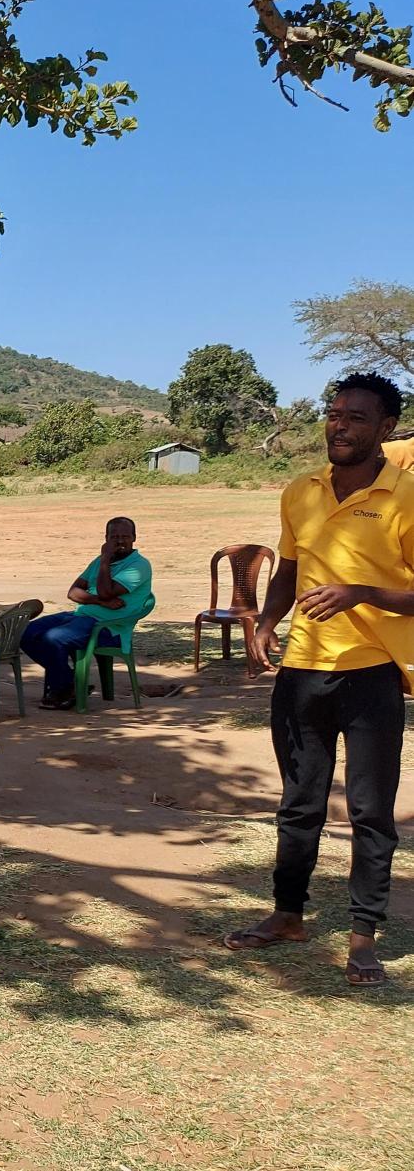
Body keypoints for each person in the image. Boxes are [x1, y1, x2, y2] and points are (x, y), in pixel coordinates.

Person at [225, 371, 414, 989]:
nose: (340, 425)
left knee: (369, 811)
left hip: (373, 673)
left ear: (386, 429)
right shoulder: (300, 491)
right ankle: (287, 916)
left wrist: (361, 592)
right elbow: (293, 567)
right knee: (299, 802)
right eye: (334, 413)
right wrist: (265, 623)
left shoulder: (405, 495)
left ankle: (363, 940)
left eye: (357, 417)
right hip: (303, 672)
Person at [19, 517, 153, 710]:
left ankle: (62, 688)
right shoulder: (98, 562)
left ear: (134, 537)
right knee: (27, 632)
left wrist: (105, 560)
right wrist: (99, 600)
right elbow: (73, 592)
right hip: (81, 616)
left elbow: (106, 590)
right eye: (114, 537)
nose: (120, 541)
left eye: (125, 536)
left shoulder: (139, 566)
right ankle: (69, 683)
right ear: (106, 538)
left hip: (108, 627)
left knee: (53, 638)